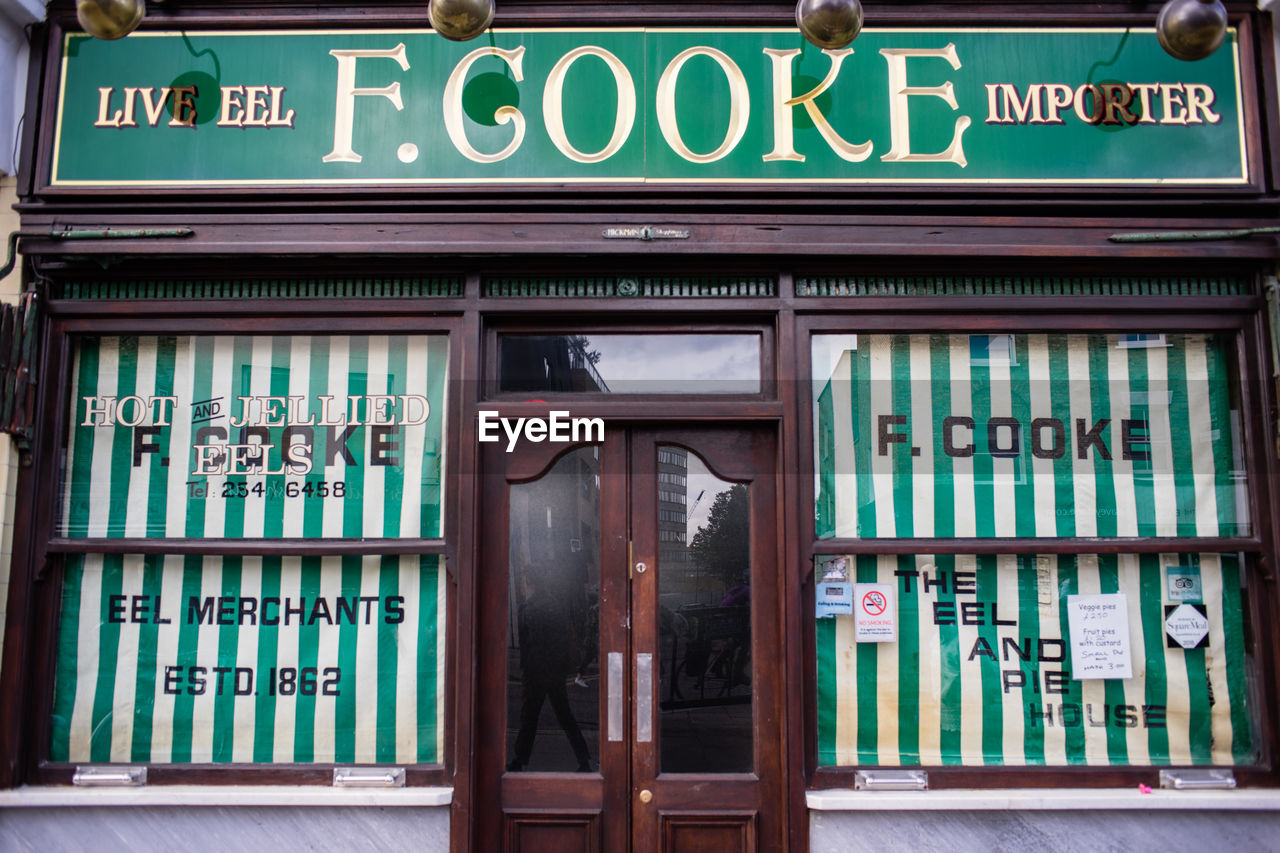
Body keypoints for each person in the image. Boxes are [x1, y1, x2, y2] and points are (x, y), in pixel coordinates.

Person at [507, 564, 592, 772]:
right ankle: (583, 760)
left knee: (529, 718)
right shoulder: (555, 606)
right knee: (565, 716)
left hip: (535, 672)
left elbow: (527, 645)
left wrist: (525, 669)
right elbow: (563, 639)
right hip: (555, 671)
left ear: (530, 582)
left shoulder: (528, 609)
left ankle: (520, 760)